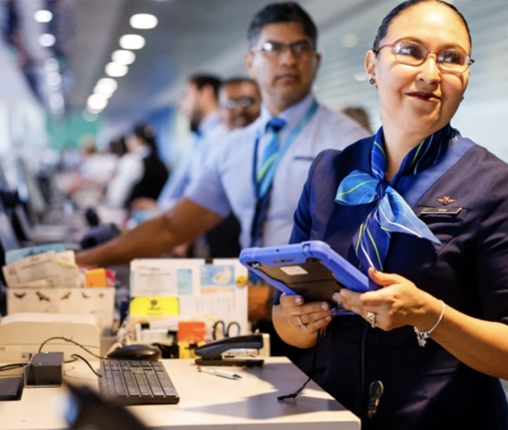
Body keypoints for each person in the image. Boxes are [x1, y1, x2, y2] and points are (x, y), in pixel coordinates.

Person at [273, 1, 508, 428]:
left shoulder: (495, 188)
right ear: (372, 65)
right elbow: (285, 314)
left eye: (451, 58)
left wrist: (428, 314)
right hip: (330, 416)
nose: (431, 73)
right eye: (411, 50)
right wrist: (297, 321)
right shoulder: (329, 172)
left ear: (466, 77)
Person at [76, 2, 369, 326]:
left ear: (315, 61)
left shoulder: (349, 140)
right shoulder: (235, 147)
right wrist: (79, 261)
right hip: (246, 307)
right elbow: (172, 226)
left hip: (319, 319)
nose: (287, 59)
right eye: (272, 48)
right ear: (250, 62)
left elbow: (364, 251)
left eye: (300, 48)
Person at [150, 74, 227, 212]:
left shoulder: (222, 134)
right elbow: (179, 180)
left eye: (186, 95)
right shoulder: (198, 137)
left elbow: (207, 196)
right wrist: (159, 208)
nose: (180, 106)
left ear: (206, 93)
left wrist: (162, 207)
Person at [204, 77, 262, 258]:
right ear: (219, 111)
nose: (239, 109)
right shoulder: (214, 150)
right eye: (230, 103)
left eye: (248, 101)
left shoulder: (274, 150)